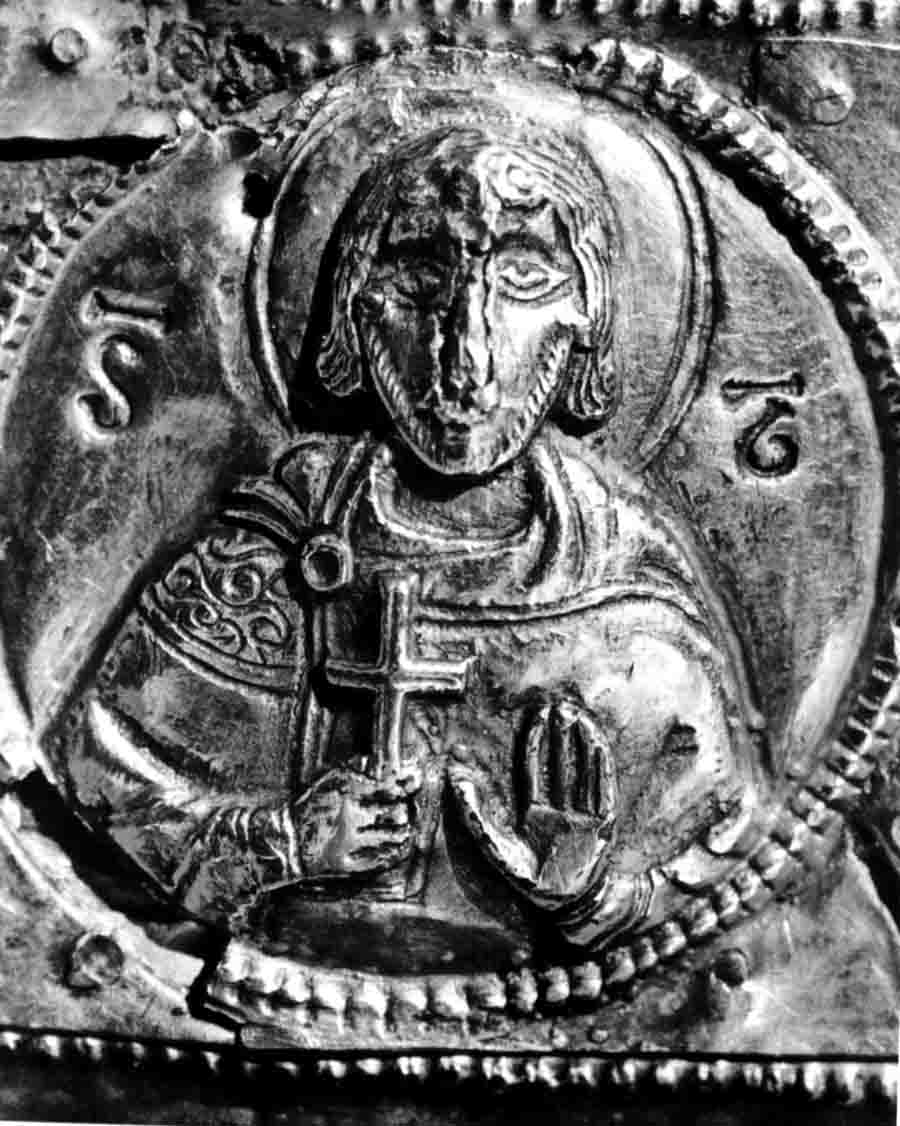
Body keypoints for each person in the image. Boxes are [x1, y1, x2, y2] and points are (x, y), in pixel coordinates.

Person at [50, 127, 766, 956]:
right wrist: (282, 845)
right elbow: (100, 778)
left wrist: (589, 897)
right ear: (356, 311)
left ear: (586, 322)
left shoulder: (626, 587)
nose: (466, 358)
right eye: (420, 280)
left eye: (522, 280)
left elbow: (726, 853)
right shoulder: (277, 548)